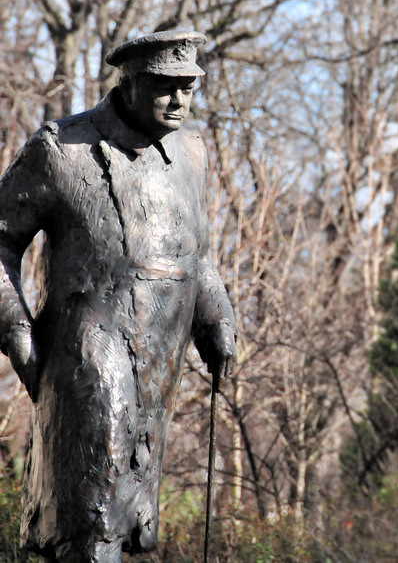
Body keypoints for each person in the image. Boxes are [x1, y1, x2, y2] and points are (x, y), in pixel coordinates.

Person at [0, 30, 237, 562]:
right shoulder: (62, 147)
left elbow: (196, 252)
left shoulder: (192, 153)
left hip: (160, 353)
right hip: (86, 347)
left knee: (130, 512)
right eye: (164, 86)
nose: (179, 101)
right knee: (92, 508)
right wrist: (19, 336)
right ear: (128, 83)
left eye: (189, 88)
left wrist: (217, 317)